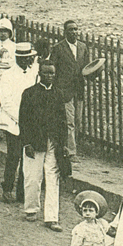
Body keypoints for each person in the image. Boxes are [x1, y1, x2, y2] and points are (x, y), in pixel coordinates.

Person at [19, 61, 67, 231]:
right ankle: (31, 209)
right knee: (32, 177)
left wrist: (64, 144)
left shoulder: (58, 94)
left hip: (53, 142)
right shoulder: (29, 93)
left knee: (53, 178)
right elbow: (23, 120)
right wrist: (26, 143)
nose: (49, 76)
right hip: (35, 141)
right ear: (39, 73)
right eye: (46, 73)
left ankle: (51, 217)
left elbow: (63, 121)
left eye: (52, 73)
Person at [0, 42, 37, 203]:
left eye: (28, 58)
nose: (25, 61)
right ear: (17, 58)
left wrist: (31, 119)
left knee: (26, 157)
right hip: (12, 121)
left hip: (28, 123)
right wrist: (21, 118)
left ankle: (22, 192)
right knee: (13, 156)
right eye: (22, 58)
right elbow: (5, 101)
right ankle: (7, 188)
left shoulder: (33, 74)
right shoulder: (7, 75)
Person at [50, 20, 89, 159]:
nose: (74, 32)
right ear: (65, 32)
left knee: (77, 120)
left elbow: (86, 68)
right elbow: (52, 69)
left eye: (75, 29)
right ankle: (71, 152)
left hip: (78, 89)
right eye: (70, 30)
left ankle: (68, 146)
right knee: (69, 121)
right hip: (64, 90)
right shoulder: (58, 48)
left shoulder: (83, 47)